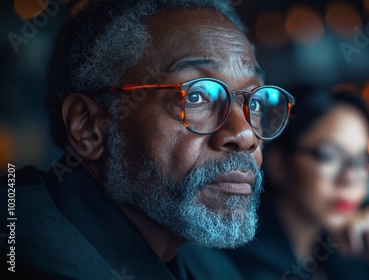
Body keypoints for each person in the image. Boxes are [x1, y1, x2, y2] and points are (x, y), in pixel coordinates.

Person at [0, 1, 294, 279]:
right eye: (196, 96)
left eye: (254, 103)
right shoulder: (30, 250)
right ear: (88, 126)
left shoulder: (207, 264)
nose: (245, 135)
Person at [226, 87, 369, 280]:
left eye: (362, 161)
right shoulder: (244, 265)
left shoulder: (344, 263)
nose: (349, 178)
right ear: (278, 163)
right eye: (328, 156)